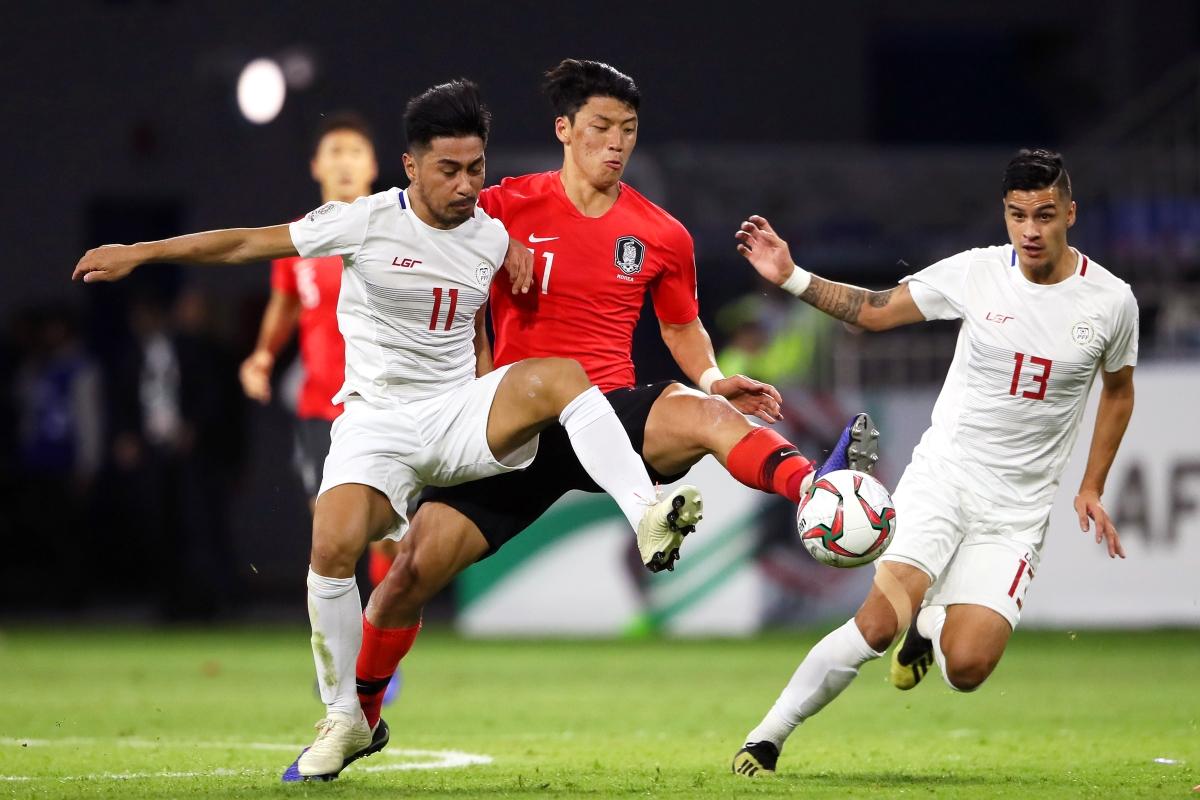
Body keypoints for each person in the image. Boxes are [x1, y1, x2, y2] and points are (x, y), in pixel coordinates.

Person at [72, 78, 701, 782]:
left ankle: (646, 512)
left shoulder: (494, 234)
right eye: (449, 170)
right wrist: (142, 252)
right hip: (377, 424)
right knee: (333, 543)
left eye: (476, 169)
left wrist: (510, 287)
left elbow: (500, 311)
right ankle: (346, 717)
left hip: (456, 415)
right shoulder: (365, 221)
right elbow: (247, 243)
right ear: (410, 166)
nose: (466, 186)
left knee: (559, 375)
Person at [353, 58, 881, 739]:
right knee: (407, 576)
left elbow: (680, 325)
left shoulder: (661, 234)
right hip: (515, 426)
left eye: (628, 130)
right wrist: (488, 255)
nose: (616, 143)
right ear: (564, 129)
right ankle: (358, 719)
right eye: (601, 127)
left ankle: (814, 487)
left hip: (608, 414)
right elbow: (431, 240)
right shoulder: (503, 207)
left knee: (708, 413)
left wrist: (714, 378)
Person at [729, 149, 1138, 777]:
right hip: (944, 479)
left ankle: (930, 623)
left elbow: (1118, 391)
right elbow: (875, 310)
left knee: (968, 668)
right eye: (1018, 215)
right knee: (874, 627)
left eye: (1045, 215)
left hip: (1016, 511)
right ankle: (767, 738)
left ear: (1070, 214)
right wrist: (791, 277)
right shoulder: (976, 273)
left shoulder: (1111, 301)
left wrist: (1091, 485)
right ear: (1005, 214)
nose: (1030, 230)